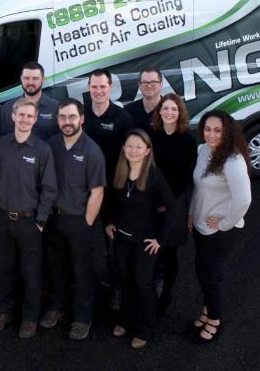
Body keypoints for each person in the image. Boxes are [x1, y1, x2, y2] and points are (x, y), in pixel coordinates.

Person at [0, 98, 57, 339]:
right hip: (2, 218)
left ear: (35, 119)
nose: (25, 119)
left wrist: (40, 221)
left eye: (30, 116)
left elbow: (49, 189)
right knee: (3, 269)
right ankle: (3, 312)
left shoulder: (42, 150)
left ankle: (29, 317)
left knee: (30, 272)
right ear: (13, 116)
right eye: (21, 115)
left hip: (29, 222)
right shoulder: (1, 145)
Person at [39, 98, 105, 340]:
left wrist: (87, 223)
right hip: (53, 219)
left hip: (79, 220)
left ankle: (82, 318)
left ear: (82, 119)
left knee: (82, 271)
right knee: (56, 267)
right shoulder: (51, 145)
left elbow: (97, 192)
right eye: (63, 117)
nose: (67, 122)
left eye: (72, 117)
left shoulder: (92, 151)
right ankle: (57, 308)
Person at [105, 129, 174, 349]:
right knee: (125, 280)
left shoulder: (153, 175)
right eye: (129, 145)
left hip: (145, 242)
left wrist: (160, 239)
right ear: (123, 148)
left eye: (138, 146)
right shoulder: (120, 172)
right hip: (122, 239)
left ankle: (146, 326)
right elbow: (110, 202)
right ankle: (126, 319)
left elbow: (171, 207)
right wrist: (109, 222)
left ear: (147, 151)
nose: (133, 150)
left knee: (142, 284)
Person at [188, 110, 252, 343]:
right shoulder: (203, 150)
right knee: (202, 270)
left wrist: (225, 223)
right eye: (207, 129)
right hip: (200, 224)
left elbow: (243, 199)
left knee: (210, 275)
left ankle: (214, 319)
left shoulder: (233, 160)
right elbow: (199, 187)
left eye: (218, 130)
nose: (212, 135)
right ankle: (207, 309)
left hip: (219, 231)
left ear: (227, 132)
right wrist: (191, 212)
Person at [83, 69, 133, 310]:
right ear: (88, 88)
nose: (98, 91)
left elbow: (130, 156)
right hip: (84, 189)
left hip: (112, 190)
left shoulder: (122, 117)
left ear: (110, 87)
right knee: (81, 238)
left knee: (112, 241)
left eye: (102, 86)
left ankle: (117, 288)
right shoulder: (82, 114)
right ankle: (81, 285)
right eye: (94, 86)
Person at [149, 94, 197, 316]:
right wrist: (155, 199)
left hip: (174, 202)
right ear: (159, 111)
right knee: (151, 249)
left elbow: (186, 176)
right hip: (152, 201)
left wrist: (165, 201)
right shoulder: (152, 136)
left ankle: (165, 294)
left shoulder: (187, 140)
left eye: (174, 109)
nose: (169, 112)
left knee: (169, 252)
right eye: (165, 108)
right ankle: (149, 291)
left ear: (180, 113)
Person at [0, 62, 59, 141]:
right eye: (26, 78)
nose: (30, 82)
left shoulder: (55, 108)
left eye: (35, 78)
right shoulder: (8, 108)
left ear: (43, 79)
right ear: (21, 79)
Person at [124, 68, 163, 133]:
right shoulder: (127, 111)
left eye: (153, 82)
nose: (149, 85)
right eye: (144, 82)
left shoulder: (170, 110)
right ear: (139, 85)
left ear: (161, 84)